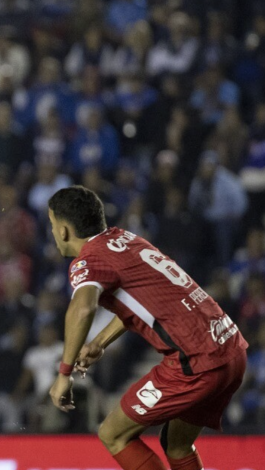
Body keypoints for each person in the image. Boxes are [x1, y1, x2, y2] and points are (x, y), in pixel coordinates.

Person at [45, 186, 247, 470]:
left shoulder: (88, 260)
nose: (52, 233)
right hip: (231, 347)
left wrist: (64, 374)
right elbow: (148, 303)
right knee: (177, 445)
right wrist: (100, 341)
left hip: (197, 362)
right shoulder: (126, 239)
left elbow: (82, 307)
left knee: (113, 435)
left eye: (52, 225)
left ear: (64, 230)